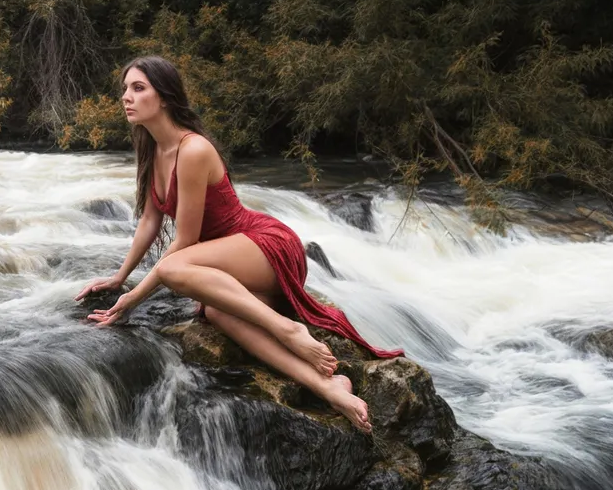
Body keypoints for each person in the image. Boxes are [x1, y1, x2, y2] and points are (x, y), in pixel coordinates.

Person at [75, 56, 403, 433]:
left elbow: (185, 242)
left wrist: (133, 298)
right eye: (125, 89)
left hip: (264, 246)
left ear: (163, 97)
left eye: (138, 88)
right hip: (226, 259)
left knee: (171, 267)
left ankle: (288, 330)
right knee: (217, 313)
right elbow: (150, 220)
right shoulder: (151, 149)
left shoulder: (192, 150)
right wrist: (119, 278)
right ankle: (329, 388)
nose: (126, 97)